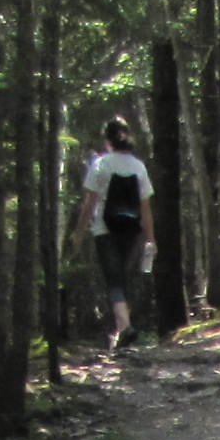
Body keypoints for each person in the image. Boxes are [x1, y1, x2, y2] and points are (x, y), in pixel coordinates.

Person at [78, 117, 157, 355]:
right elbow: (145, 208)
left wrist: (79, 232)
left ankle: (125, 327)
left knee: (114, 281)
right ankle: (122, 330)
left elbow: (89, 204)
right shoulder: (138, 167)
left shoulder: (101, 164)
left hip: (105, 229)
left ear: (107, 139)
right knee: (122, 279)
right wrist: (151, 237)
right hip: (131, 231)